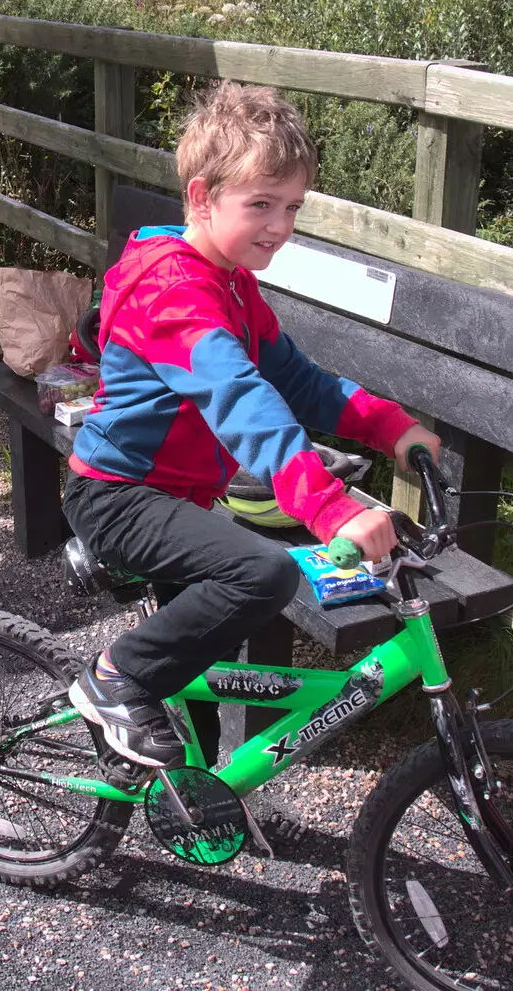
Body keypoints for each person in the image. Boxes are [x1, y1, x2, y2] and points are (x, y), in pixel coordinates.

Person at [64, 81, 441, 768]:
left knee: (197, 679)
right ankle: (113, 677)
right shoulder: (174, 291)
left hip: (176, 499)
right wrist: (327, 508)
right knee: (262, 574)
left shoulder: (232, 282)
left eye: (292, 206)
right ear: (204, 198)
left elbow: (296, 381)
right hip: (119, 495)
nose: (280, 225)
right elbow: (240, 398)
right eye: (261, 204)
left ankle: (189, 793)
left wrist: (392, 429)